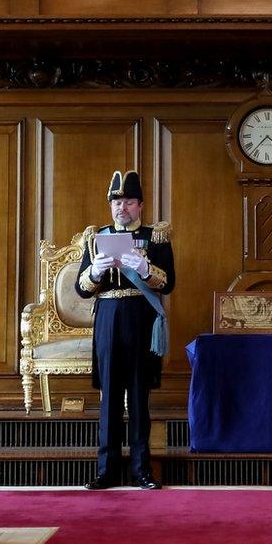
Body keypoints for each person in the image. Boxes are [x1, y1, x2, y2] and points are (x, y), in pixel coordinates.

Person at [76, 170, 175, 490]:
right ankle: (106, 470)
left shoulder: (155, 237)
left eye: (129, 202)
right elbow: (81, 289)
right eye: (116, 202)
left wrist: (144, 268)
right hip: (107, 318)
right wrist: (95, 270)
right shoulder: (96, 238)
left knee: (138, 395)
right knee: (109, 398)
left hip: (140, 319)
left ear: (140, 205)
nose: (122, 208)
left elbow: (169, 283)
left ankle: (141, 469)